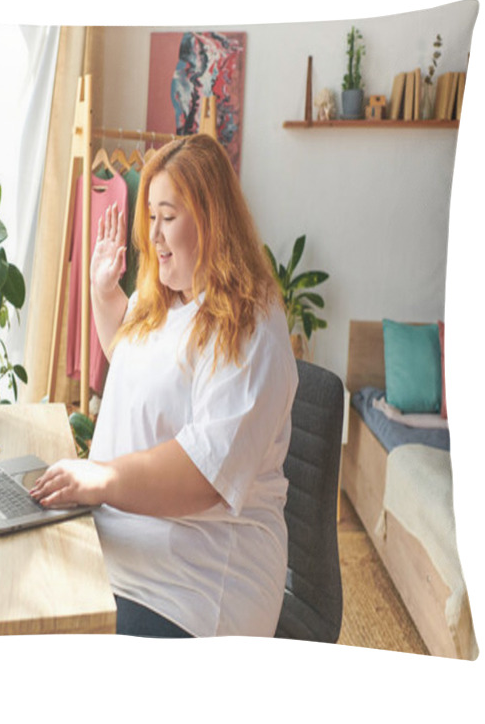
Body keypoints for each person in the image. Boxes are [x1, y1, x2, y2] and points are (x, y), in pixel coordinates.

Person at [30, 134, 298, 637]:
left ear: (211, 219)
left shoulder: (250, 324)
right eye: (149, 217)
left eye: (167, 217)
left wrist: (103, 479)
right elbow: (129, 363)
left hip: (194, 582)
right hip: (121, 546)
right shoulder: (165, 296)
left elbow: (203, 474)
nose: (153, 235)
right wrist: (102, 291)